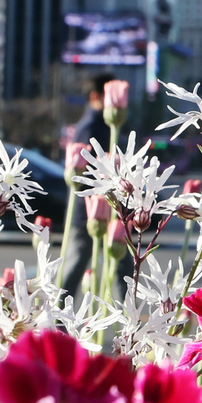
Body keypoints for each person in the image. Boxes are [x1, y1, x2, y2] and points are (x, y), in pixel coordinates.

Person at [61, 72, 133, 298]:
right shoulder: (91, 126)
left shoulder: (101, 124)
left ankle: (126, 320)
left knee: (123, 268)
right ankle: (55, 323)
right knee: (74, 268)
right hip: (90, 212)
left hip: (106, 211)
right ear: (95, 96)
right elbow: (84, 173)